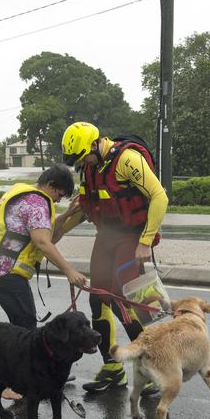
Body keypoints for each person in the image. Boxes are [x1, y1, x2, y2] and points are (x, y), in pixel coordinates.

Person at [60, 122, 169, 394]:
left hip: (132, 236)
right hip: (107, 236)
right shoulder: (90, 167)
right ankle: (112, 367)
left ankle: (156, 368)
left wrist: (145, 242)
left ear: (96, 145)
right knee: (97, 297)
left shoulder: (127, 160)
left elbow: (159, 197)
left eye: (84, 156)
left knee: (130, 297)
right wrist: (55, 233)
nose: (82, 163)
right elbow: (87, 207)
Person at [0, 164, 87, 400]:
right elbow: (44, 243)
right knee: (25, 330)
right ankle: (8, 384)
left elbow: (49, 234)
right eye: (59, 195)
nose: (57, 201)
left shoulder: (27, 196)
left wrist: (67, 216)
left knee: (21, 327)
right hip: (4, 272)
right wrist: (69, 271)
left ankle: (3, 380)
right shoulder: (36, 203)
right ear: (52, 185)